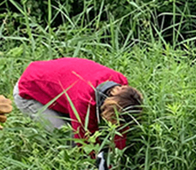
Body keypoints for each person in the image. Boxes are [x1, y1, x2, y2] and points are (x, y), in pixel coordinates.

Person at [13, 57, 143, 150]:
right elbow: (86, 142)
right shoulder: (84, 99)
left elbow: (121, 127)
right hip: (30, 92)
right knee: (69, 139)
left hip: (57, 84)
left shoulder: (120, 82)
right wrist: (104, 168)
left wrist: (117, 153)